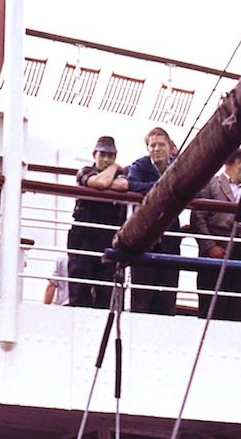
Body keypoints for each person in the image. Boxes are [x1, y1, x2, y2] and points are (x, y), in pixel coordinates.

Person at [193, 148, 241, 323]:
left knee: (237, 307)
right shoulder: (210, 185)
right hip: (217, 249)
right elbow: (198, 217)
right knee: (212, 307)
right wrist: (210, 247)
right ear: (238, 163)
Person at [67, 137, 128, 312]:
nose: (107, 159)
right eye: (103, 154)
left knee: (107, 286)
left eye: (111, 156)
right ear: (94, 154)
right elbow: (98, 182)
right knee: (80, 282)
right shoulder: (84, 171)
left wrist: (105, 180)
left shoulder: (120, 176)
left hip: (107, 235)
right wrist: (114, 169)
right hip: (83, 234)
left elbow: (123, 185)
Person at [125, 128, 181, 315]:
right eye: (152, 145)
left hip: (170, 236)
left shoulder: (179, 166)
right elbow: (133, 185)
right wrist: (166, 189)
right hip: (145, 235)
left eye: (161, 144)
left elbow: (195, 187)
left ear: (169, 147)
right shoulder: (140, 166)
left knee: (167, 291)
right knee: (142, 292)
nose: (156, 149)